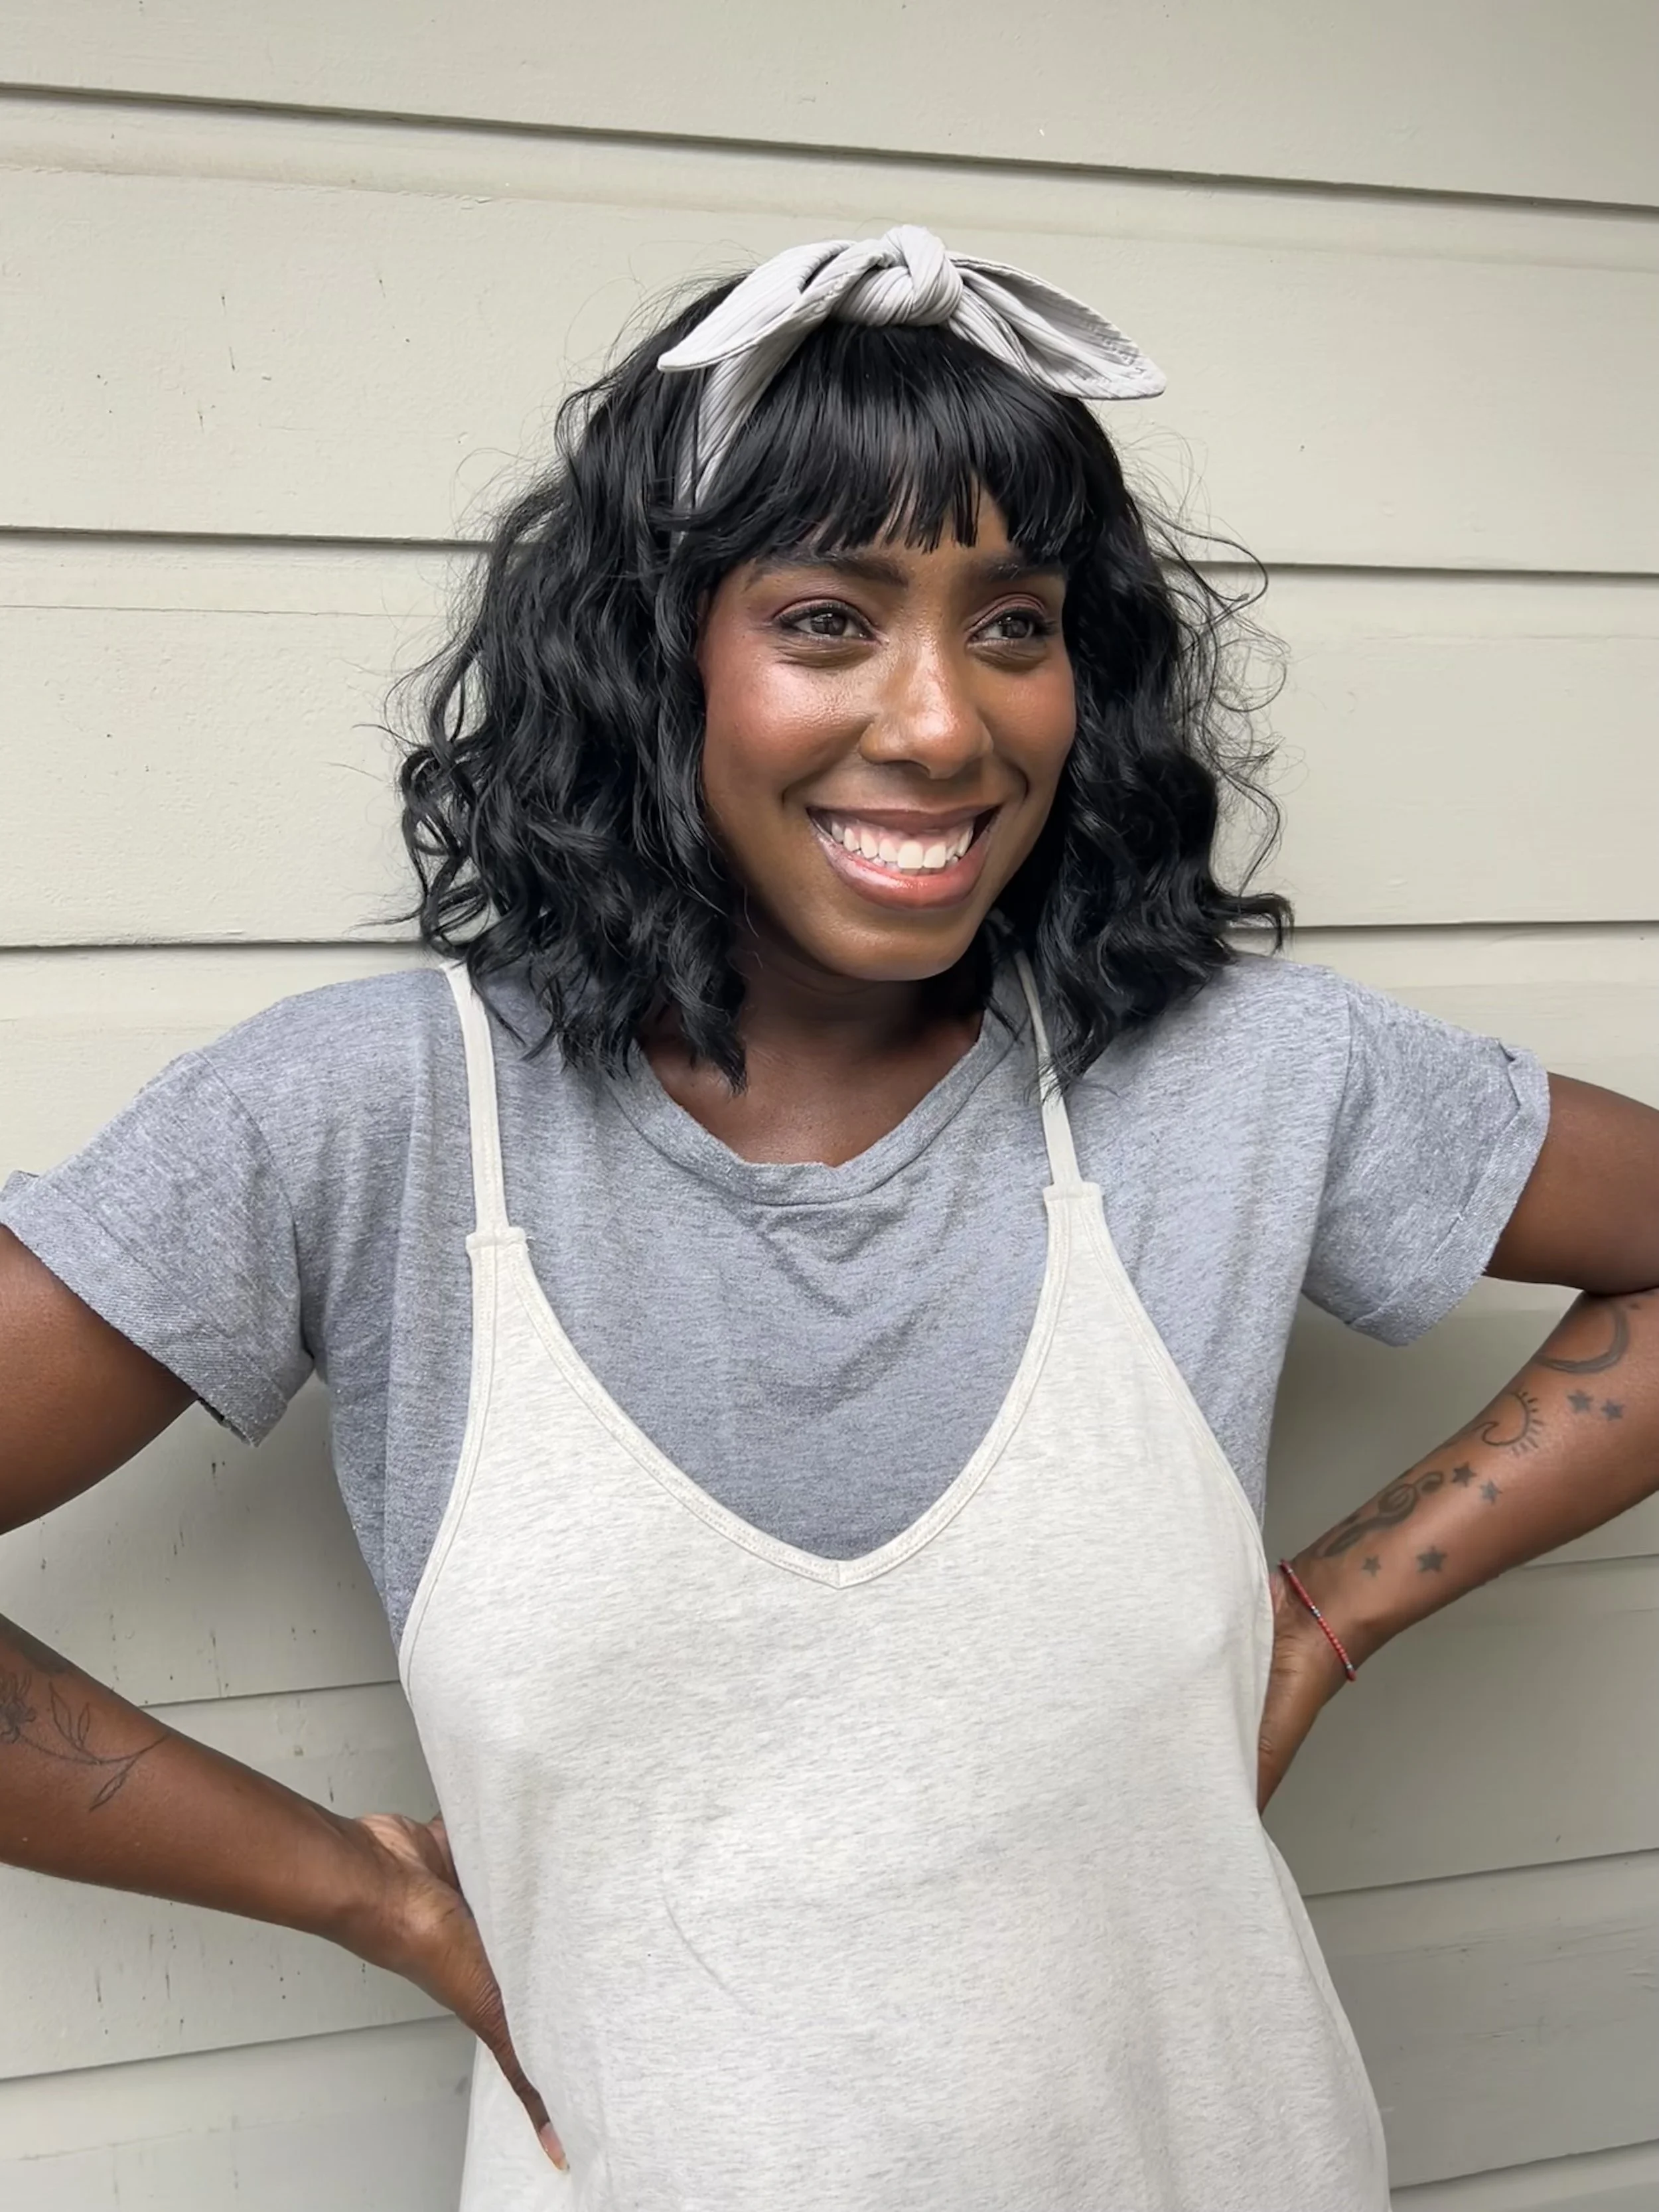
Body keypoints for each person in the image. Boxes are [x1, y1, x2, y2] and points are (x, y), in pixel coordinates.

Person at [1, 225, 1656, 2212]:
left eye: (1013, 624)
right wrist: (365, 1891)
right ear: (652, 651)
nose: (945, 727)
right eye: (825, 619)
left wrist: (1323, 1609)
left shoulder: (1234, 1080)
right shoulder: (367, 1124)